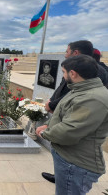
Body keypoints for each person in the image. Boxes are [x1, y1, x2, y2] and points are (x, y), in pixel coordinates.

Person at [36, 55, 108, 195]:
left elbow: (69, 131)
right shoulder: (80, 89)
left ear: (73, 73)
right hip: (69, 158)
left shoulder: (93, 98)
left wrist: (46, 134)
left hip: (76, 164)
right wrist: (48, 125)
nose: (63, 75)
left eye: (63, 72)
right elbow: (63, 113)